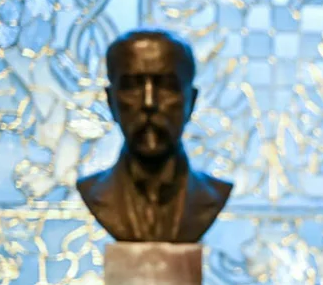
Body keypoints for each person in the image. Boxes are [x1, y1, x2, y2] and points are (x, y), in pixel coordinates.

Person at [78, 29, 231, 243]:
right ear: (111, 102)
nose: (149, 102)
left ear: (192, 101)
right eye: (132, 86)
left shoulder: (212, 196)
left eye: (167, 85)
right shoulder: (95, 192)